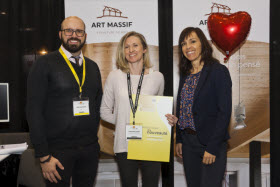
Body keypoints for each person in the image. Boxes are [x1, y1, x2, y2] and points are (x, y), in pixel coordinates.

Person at [26, 16, 102, 187]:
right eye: (69, 30)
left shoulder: (92, 67)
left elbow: (97, 105)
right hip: (56, 153)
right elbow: (33, 111)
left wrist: (93, 145)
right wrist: (43, 156)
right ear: (60, 34)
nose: (74, 35)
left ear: (85, 36)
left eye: (79, 31)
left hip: (88, 150)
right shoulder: (44, 64)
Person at [166, 27, 232, 187]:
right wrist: (180, 139)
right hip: (188, 144)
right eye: (183, 43)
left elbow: (224, 112)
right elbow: (183, 109)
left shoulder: (218, 71)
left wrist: (212, 147)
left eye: (193, 41)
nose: (188, 47)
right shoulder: (185, 74)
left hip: (210, 144)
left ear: (203, 43)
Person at [100, 31, 164, 187]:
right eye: (126, 46)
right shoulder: (115, 76)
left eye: (135, 45)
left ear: (144, 49)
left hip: (150, 142)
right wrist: (125, 122)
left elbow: (159, 110)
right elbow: (104, 111)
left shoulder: (157, 77)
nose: (131, 50)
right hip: (124, 143)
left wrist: (167, 118)